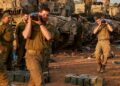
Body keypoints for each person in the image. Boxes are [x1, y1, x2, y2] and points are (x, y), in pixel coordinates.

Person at [22, 6, 53, 86]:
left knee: (33, 82)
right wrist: (29, 21)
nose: (45, 16)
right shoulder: (31, 24)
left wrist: (40, 24)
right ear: (39, 14)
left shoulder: (49, 26)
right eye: (44, 14)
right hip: (32, 56)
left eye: (47, 15)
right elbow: (26, 35)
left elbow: (48, 37)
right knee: (39, 81)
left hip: (42, 56)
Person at [0, 12, 14, 86]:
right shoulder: (2, 27)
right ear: (3, 19)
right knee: (3, 62)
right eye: (8, 18)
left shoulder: (9, 26)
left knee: (9, 62)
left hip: (10, 46)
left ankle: (9, 79)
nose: (9, 19)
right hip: (4, 47)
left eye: (10, 18)